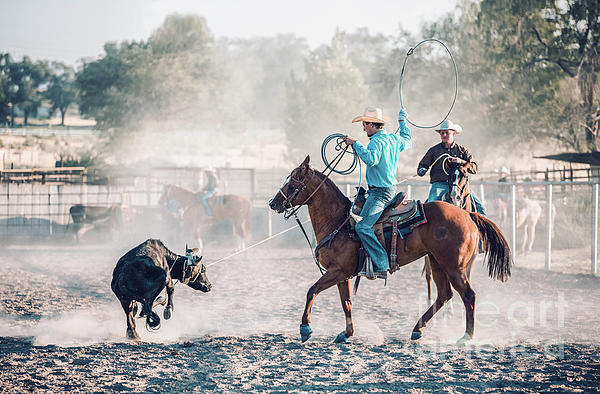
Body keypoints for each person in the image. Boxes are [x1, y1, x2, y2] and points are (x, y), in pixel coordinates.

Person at [343, 106, 411, 280]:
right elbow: (407, 140)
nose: (363, 127)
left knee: (362, 226)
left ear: (373, 125)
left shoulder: (375, 142)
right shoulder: (393, 139)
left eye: (365, 124)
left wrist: (355, 144)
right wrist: (403, 122)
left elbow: (371, 159)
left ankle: (381, 264)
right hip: (388, 189)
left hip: (380, 193)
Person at [416, 119, 486, 215]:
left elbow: (474, 168)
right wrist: (421, 170)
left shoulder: (462, 150)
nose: (444, 135)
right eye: (442, 133)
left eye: (446, 133)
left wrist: (461, 162)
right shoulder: (434, 151)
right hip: (440, 184)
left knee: (480, 208)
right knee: (430, 207)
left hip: (460, 185)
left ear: (453, 134)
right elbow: (423, 164)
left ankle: (483, 228)